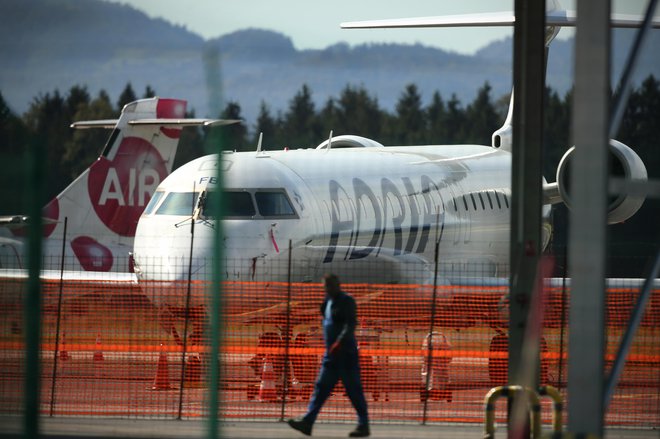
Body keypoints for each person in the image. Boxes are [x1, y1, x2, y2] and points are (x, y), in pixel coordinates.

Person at [288, 273, 370, 437]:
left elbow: (351, 324)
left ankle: (363, 424)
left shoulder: (347, 301)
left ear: (338, 285)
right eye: (326, 286)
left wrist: (339, 342)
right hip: (331, 356)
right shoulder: (326, 302)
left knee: (353, 390)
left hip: (346, 354)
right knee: (321, 389)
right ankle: (308, 422)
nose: (328, 288)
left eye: (331, 285)